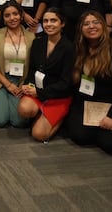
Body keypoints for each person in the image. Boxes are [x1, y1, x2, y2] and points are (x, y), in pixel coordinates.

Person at [67, 11, 112, 154]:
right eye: (86, 24)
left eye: (96, 22)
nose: (91, 26)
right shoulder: (78, 49)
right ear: (80, 29)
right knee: (80, 137)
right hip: (88, 103)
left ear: (103, 26)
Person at [18, 8, 74, 142]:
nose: (48, 24)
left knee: (39, 135)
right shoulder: (38, 42)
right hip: (38, 90)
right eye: (45, 21)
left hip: (58, 95)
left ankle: (61, 118)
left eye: (53, 20)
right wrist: (27, 84)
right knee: (24, 109)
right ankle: (41, 115)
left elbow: (66, 83)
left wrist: (39, 92)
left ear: (62, 23)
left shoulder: (69, 48)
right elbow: (32, 69)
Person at [0, 1, 35, 128]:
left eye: (15, 14)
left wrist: (24, 85)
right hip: (0, 80)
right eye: (7, 15)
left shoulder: (31, 37)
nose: (12, 18)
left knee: (19, 121)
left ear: (21, 15)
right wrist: (8, 85)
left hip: (21, 82)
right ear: (3, 18)